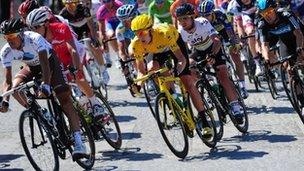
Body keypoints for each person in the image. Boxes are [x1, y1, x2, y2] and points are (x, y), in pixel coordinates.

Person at [0, 18, 87, 157]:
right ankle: (39, 112)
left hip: (50, 62)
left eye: (12, 36)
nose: (9, 41)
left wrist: (46, 85)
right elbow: (7, 81)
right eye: (6, 37)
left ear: (21, 33)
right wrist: (5, 100)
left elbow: (45, 64)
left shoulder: (34, 38)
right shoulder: (6, 51)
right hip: (32, 67)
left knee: (64, 97)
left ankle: (79, 142)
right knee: (16, 88)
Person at [129, 14, 213, 137]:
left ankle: (204, 121)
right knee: (152, 68)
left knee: (187, 81)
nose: (139, 36)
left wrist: (177, 71)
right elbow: (142, 71)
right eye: (136, 33)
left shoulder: (164, 33)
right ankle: (171, 97)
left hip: (174, 45)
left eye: (142, 33)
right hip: (157, 51)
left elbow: (181, 59)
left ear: (150, 30)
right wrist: (137, 86)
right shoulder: (137, 45)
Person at [26, 7, 110, 123]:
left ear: (45, 24)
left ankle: (96, 104)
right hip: (58, 59)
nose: (33, 31)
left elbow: (73, 50)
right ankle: (81, 111)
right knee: (63, 88)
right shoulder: (35, 39)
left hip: (74, 52)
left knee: (78, 77)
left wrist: (75, 69)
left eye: (36, 27)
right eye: (31, 28)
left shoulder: (60, 28)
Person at [176, 3, 244, 124]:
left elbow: (216, 40)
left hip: (213, 48)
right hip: (198, 51)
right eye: (180, 20)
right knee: (190, 67)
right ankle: (208, 86)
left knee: (223, 75)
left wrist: (212, 54)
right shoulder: (181, 31)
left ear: (192, 17)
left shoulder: (202, 22)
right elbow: (182, 53)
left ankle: (235, 107)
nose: (183, 22)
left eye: (185, 18)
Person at [198, 0, 248, 99]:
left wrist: (235, 44)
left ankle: (242, 86)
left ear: (212, 13)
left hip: (224, 35)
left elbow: (230, 31)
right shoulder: (200, 22)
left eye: (207, 15)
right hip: (211, 39)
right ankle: (212, 87)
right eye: (202, 15)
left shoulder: (220, 15)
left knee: (235, 54)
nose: (205, 18)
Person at [256, 0, 304, 103]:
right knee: (289, 69)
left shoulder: (286, 14)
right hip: (285, 42)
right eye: (264, 13)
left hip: (300, 37)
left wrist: (299, 48)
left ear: (275, 9)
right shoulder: (262, 24)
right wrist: (267, 59)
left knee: (301, 57)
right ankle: (302, 102)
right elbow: (264, 45)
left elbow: (299, 34)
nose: (267, 16)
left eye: (269, 12)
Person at [59, 0, 110, 85]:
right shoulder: (62, 14)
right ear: (65, 5)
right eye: (70, 5)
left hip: (86, 27)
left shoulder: (83, 8)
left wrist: (94, 38)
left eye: (75, 3)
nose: (73, 6)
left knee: (94, 46)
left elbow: (91, 25)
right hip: (73, 29)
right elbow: (64, 32)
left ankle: (103, 69)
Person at [228, 0, 264, 76]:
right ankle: (257, 63)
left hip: (260, 13)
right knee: (250, 32)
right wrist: (241, 38)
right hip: (246, 17)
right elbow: (239, 25)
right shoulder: (235, 5)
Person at [97, 0, 123, 68]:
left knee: (121, 32)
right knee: (110, 35)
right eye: (104, 2)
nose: (106, 3)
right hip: (110, 23)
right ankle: (118, 56)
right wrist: (103, 41)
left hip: (120, 21)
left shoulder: (119, 5)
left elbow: (125, 20)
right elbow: (101, 30)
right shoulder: (101, 11)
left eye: (108, 1)